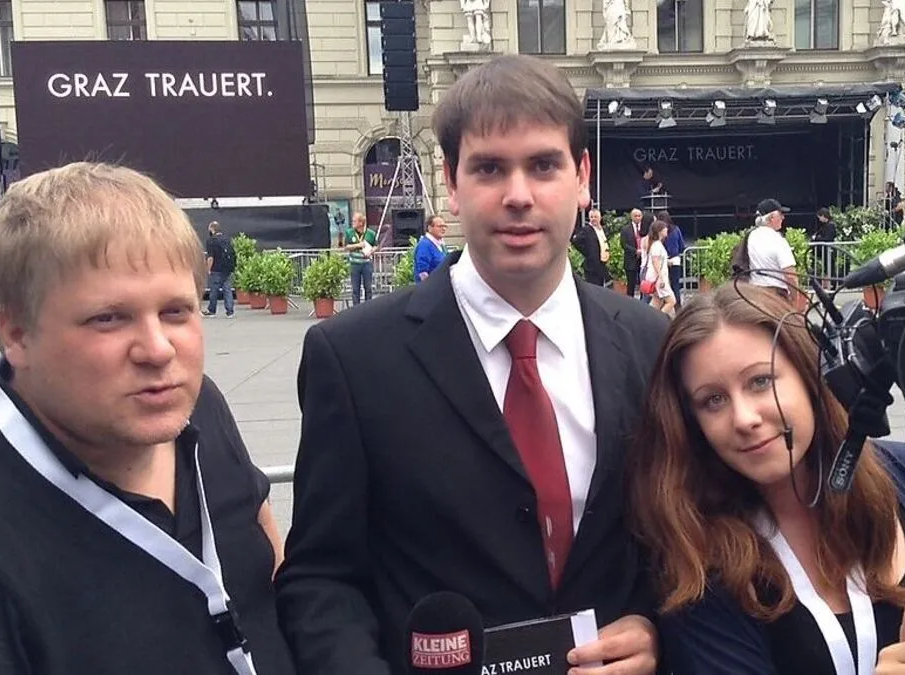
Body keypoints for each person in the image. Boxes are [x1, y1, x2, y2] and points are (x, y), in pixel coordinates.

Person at [276, 54, 668, 675]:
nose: (518, 196)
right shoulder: (353, 359)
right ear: (451, 183)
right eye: (489, 168)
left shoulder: (652, 345)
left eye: (543, 165)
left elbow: (688, 540)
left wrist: (660, 629)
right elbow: (322, 578)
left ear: (582, 176)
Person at [0, 162, 294, 675]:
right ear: (16, 333)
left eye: (176, 311)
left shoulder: (199, 404)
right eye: (109, 318)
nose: (158, 350)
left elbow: (265, 555)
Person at [629, 284, 905, 675]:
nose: (744, 418)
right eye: (713, 400)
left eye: (760, 381)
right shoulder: (696, 558)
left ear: (808, 374)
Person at [203, 220, 237, 317]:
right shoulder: (226, 239)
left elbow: (210, 257)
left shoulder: (211, 241)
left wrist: (208, 269)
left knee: (214, 290)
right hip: (227, 268)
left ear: (212, 229)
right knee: (227, 289)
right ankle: (230, 311)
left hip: (216, 269)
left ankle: (212, 310)